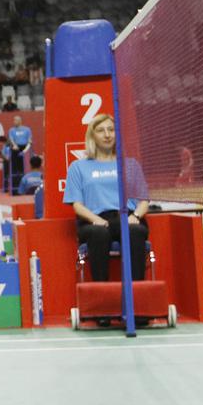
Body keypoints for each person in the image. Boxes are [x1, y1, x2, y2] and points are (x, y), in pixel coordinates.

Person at [64, 114, 150, 282]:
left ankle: (137, 291)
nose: (107, 134)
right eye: (101, 130)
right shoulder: (78, 167)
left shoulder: (131, 164)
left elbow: (144, 201)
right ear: (92, 136)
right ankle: (101, 293)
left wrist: (136, 217)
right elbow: (77, 205)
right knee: (99, 233)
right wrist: (96, 219)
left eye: (111, 130)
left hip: (127, 217)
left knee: (135, 230)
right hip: (93, 221)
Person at [6, 115, 31, 194]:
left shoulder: (27, 129)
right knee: (15, 164)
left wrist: (25, 150)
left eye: (15, 120)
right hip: (15, 148)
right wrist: (14, 145)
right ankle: (15, 188)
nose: (14, 122)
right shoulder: (11, 130)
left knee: (23, 165)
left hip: (25, 148)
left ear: (20, 121)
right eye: (13, 120)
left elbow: (29, 140)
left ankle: (26, 184)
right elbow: (11, 139)